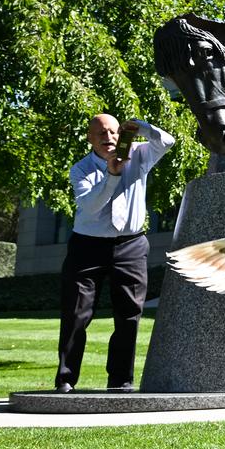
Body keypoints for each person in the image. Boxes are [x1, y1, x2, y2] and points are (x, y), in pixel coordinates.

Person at [54, 114, 175, 393]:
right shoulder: (81, 169)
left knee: (129, 314)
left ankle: (120, 381)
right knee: (76, 315)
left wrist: (140, 126)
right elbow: (92, 207)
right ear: (89, 138)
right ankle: (66, 380)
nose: (108, 138)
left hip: (131, 245)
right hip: (87, 247)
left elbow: (167, 141)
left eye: (113, 132)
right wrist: (112, 174)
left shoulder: (139, 155)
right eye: (100, 134)